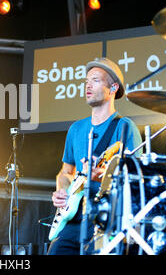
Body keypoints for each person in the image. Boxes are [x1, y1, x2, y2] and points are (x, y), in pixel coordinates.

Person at [47, 57, 142, 255]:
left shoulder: (125, 127)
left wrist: (102, 177)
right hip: (74, 220)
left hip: (106, 219)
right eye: (86, 81)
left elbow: (135, 180)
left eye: (96, 80)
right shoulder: (76, 128)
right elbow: (66, 172)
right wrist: (63, 192)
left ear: (113, 87)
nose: (88, 85)